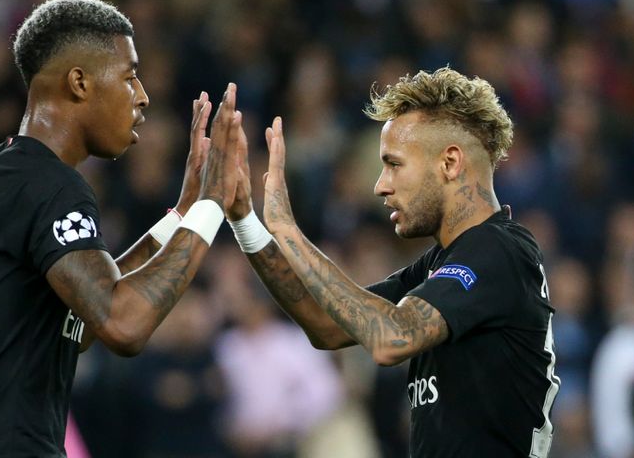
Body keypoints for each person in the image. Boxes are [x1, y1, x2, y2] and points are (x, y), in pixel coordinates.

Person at [0, 0, 243, 456]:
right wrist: (214, 206)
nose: (142, 95)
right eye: (128, 76)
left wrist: (182, 215)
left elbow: (76, 323)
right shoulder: (51, 185)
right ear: (80, 82)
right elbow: (122, 324)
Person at [224, 67, 561, 456]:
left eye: (394, 164)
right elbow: (327, 326)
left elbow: (391, 339)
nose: (380, 185)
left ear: (450, 163)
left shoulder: (499, 249)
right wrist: (246, 221)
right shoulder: (440, 262)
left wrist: (288, 230)